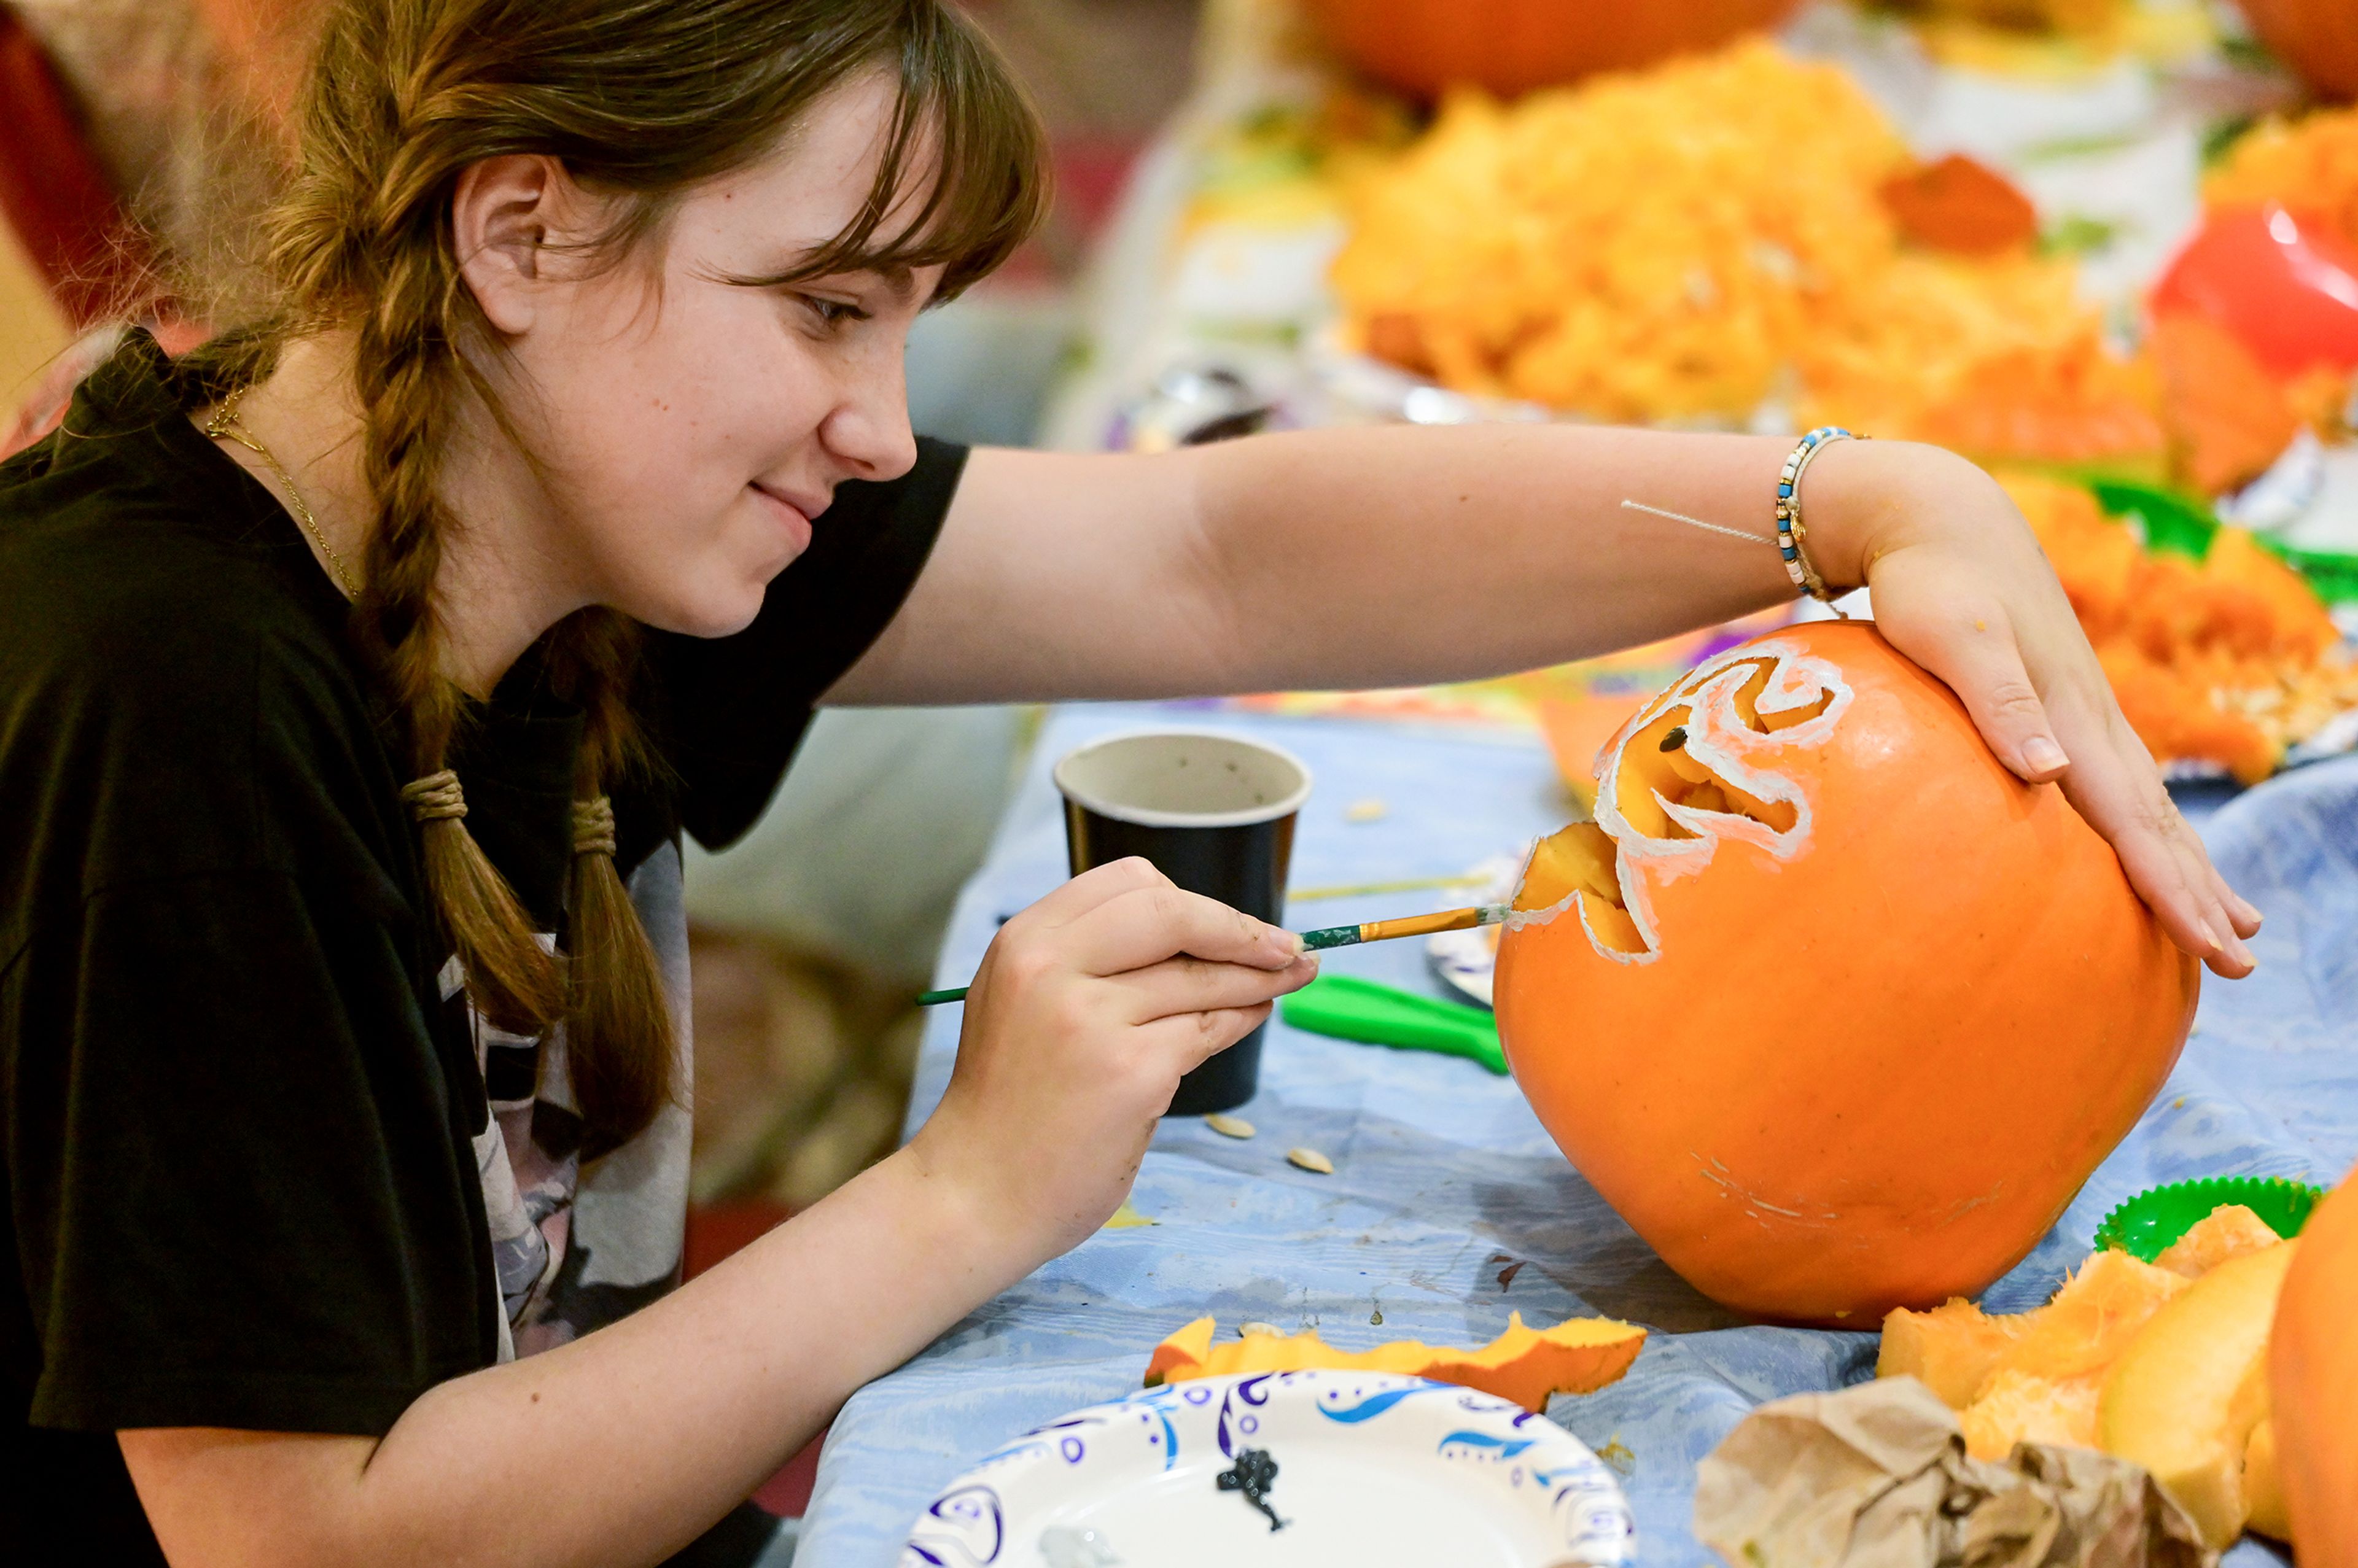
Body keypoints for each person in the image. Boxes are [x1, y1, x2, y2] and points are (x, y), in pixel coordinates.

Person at [0, 0, 2260, 1563]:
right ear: (521, 232)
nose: (883, 424)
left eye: (904, 322)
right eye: (823, 312)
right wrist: (963, 1193)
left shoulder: (559, 473)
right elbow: (309, 1537)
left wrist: (1847, 495)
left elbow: (1206, 551)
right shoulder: (168, 702)